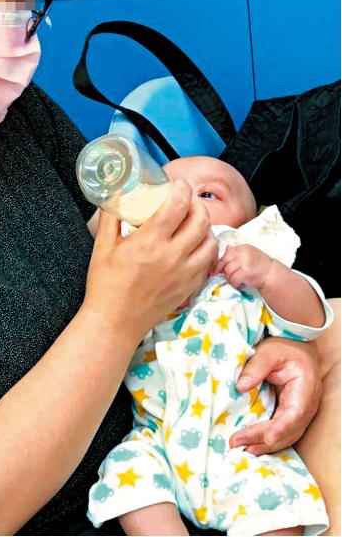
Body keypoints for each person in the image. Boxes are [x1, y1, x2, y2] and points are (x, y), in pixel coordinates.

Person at [0, 0, 338, 535]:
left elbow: (150, 250)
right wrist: (113, 319)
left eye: (34, 2)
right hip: (116, 495)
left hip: (205, 425)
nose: (28, 32)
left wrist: (278, 350)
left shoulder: (7, 119)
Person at [88, 157, 332, 536]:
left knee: (278, 503)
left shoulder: (247, 280)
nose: (182, 200)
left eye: (206, 194)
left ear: (246, 226)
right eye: (166, 191)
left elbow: (311, 322)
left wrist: (270, 274)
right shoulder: (141, 282)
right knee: (126, 474)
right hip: (158, 439)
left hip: (241, 442)